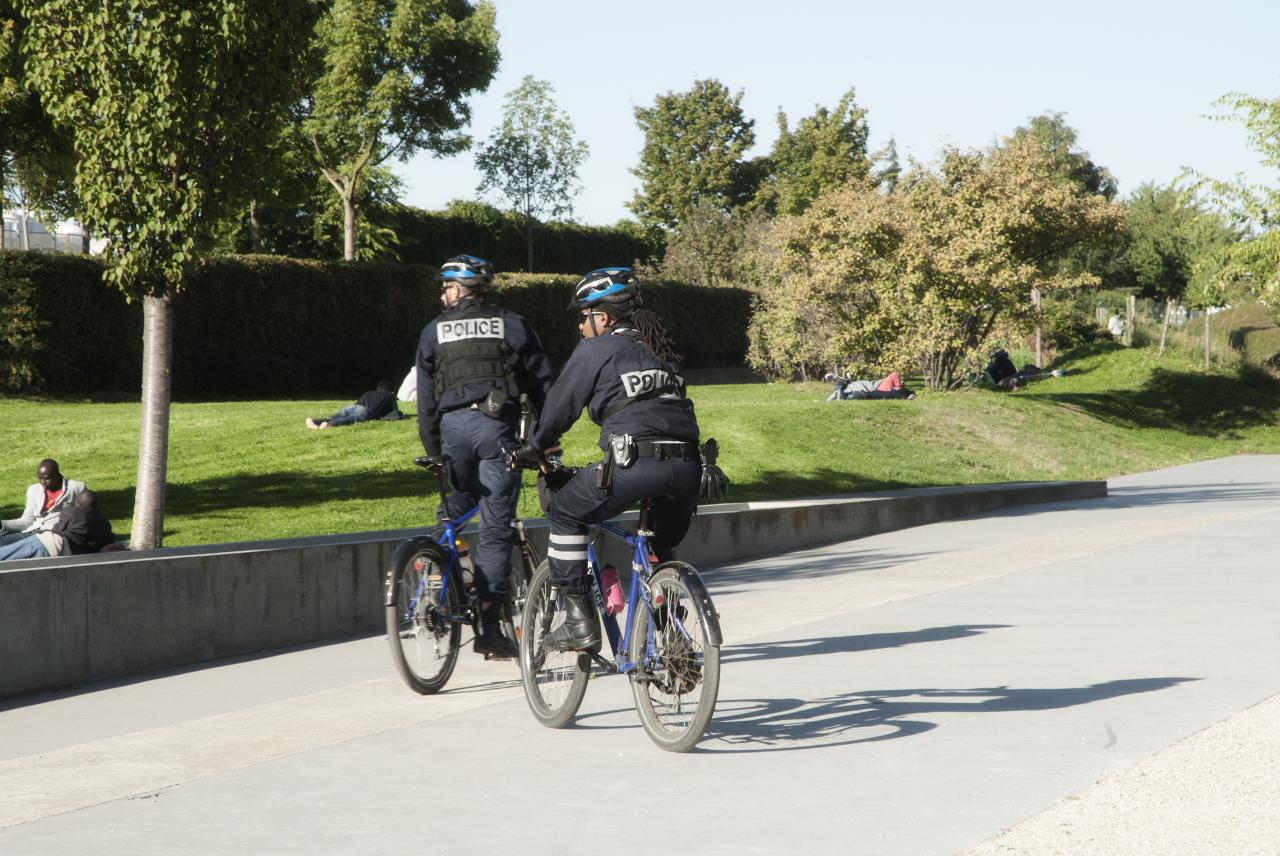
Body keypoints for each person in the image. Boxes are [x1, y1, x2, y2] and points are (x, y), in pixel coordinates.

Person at [509, 267, 703, 653]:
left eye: (583, 316)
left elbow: (559, 410)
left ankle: (580, 624)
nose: (581, 326)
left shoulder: (596, 349)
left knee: (565, 512)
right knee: (657, 544)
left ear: (602, 317)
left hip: (634, 464)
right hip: (688, 469)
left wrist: (535, 445)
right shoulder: (664, 347)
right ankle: (669, 637)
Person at [416, 254, 554, 658]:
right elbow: (543, 381)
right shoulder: (511, 324)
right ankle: (491, 630)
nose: (444, 294)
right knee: (495, 527)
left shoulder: (432, 332)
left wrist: (433, 449)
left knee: (459, 499)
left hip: (450, 430)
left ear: (458, 291)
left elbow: (426, 399)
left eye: (445, 288)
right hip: (495, 430)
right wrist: (546, 438)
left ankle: (437, 566)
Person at [0, 489, 118, 560]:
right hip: (60, 554)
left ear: (78, 503)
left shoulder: (71, 511)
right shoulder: (104, 523)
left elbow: (57, 530)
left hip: (47, 543)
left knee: (5, 554)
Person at [1, 458, 87, 547]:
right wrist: (2, 524)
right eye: (40, 478)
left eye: (47, 478)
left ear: (57, 475)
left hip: (51, 536)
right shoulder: (33, 490)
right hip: (31, 532)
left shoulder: (76, 487)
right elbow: (26, 521)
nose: (42, 482)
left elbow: (86, 516)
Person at [306, 381, 402, 429]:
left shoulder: (369, 392)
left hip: (352, 407)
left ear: (378, 388)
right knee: (350, 419)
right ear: (392, 391)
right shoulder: (390, 395)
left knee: (335, 416)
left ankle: (314, 421)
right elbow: (395, 414)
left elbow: (358, 404)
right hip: (365, 411)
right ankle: (330, 425)